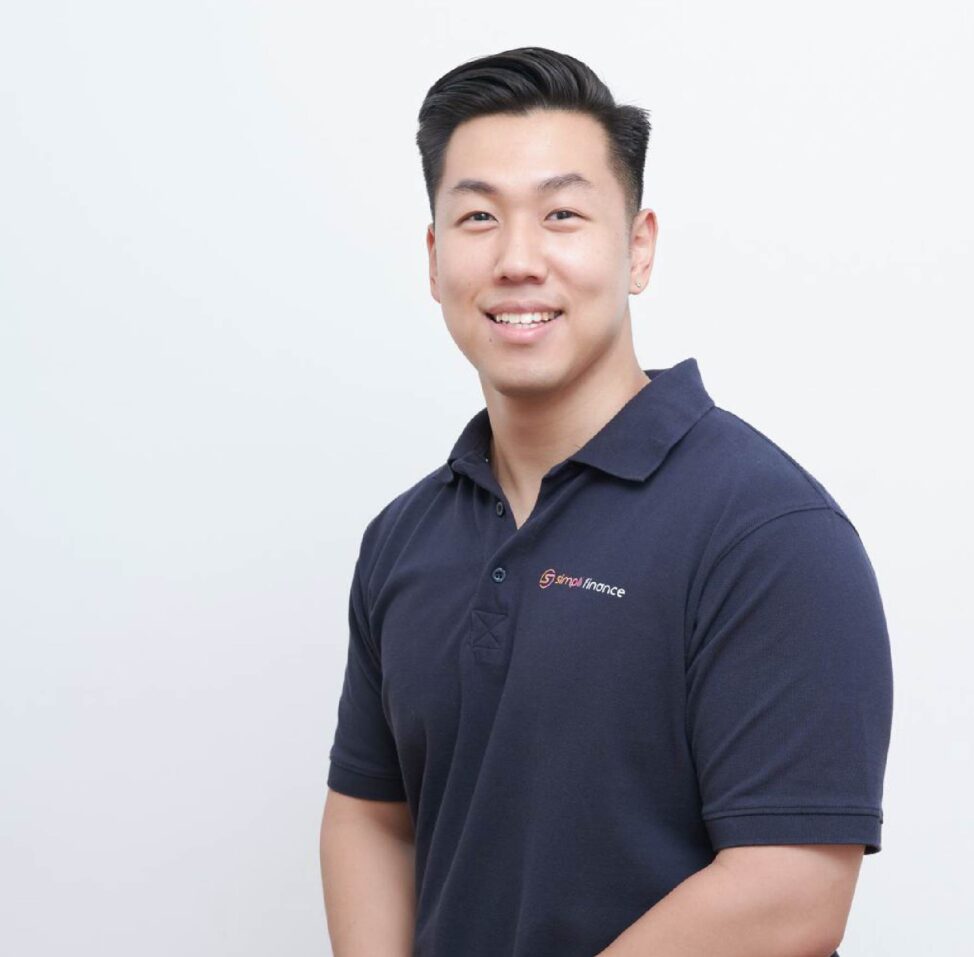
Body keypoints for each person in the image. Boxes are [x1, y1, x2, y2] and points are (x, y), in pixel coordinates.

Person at [319, 46, 893, 957]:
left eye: (562, 214)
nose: (517, 259)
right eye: (477, 216)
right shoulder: (404, 537)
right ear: (434, 259)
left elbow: (793, 892)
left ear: (638, 247)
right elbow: (371, 814)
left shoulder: (767, 531)